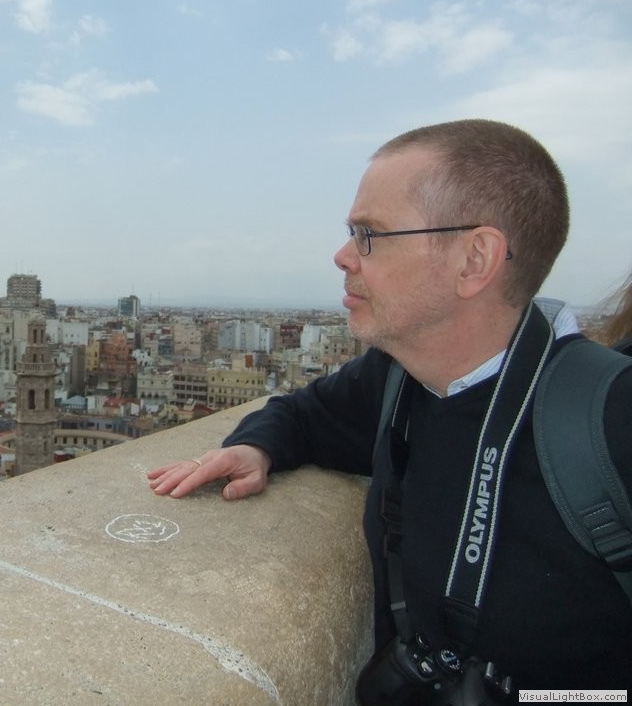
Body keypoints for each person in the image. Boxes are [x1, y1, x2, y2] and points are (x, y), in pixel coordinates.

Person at [148, 119, 631, 696]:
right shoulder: (399, 380)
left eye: (369, 235)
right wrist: (256, 447)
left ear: (475, 259)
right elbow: (302, 416)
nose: (342, 256)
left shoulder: (609, 419)